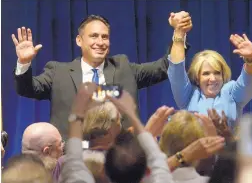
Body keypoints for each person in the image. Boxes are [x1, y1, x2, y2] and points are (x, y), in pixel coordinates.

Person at [12, 13, 191, 139]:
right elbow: (27, 89)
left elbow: (166, 66)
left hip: (119, 158)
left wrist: (179, 34)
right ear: (79, 40)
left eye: (105, 37)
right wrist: (24, 63)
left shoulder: (123, 67)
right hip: (72, 158)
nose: (100, 42)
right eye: (94, 36)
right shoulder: (58, 72)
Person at [168, 15, 252, 126]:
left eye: (217, 73)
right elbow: (176, 70)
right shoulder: (188, 96)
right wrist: (179, 33)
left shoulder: (231, 92)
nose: (212, 79)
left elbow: (247, 82)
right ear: (197, 78)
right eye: (206, 74)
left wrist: (250, 60)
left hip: (228, 143)